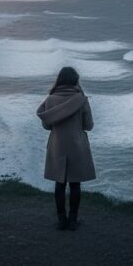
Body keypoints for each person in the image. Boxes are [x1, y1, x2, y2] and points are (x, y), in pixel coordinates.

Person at [36, 66, 96, 231]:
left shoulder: (50, 99)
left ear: (60, 80)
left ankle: (61, 220)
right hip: (77, 146)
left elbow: (47, 125)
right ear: (75, 80)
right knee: (75, 184)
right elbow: (89, 126)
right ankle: (73, 221)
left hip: (58, 146)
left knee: (59, 184)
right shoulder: (81, 100)